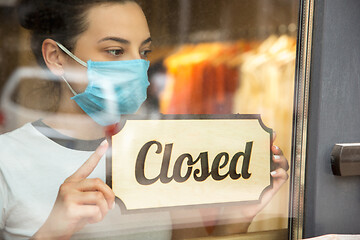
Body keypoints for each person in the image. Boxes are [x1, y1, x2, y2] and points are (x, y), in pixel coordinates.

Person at [0, 0, 289, 239]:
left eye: (144, 52)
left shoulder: (161, 151)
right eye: (115, 51)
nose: (137, 66)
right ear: (56, 57)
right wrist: (52, 231)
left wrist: (239, 213)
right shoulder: (7, 160)